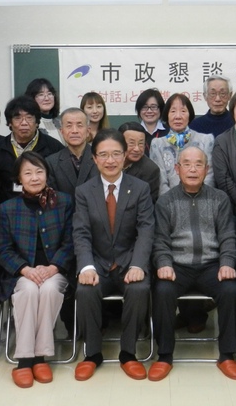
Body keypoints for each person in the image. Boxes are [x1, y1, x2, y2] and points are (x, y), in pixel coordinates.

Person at [149, 147, 236, 381]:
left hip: (212, 265)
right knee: (162, 291)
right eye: (187, 164)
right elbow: (160, 239)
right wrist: (164, 262)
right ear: (177, 169)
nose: (192, 169)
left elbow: (228, 236)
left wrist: (227, 262)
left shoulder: (219, 199)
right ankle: (164, 356)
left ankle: (228, 355)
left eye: (198, 164)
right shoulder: (165, 201)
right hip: (177, 266)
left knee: (230, 289)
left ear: (206, 169)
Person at [73, 129, 154, 381]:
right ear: (94, 159)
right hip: (97, 262)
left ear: (125, 156)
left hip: (130, 261)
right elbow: (82, 233)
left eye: (116, 154)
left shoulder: (140, 188)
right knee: (84, 291)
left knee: (140, 289)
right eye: (104, 155)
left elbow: (146, 230)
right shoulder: (84, 191)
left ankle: (128, 353)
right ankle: (92, 354)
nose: (110, 160)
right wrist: (86, 267)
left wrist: (139, 264)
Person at [0, 151, 74, 388]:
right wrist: (25, 270)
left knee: (49, 290)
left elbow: (71, 241)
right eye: (28, 173)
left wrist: (53, 267)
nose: (34, 177)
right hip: (23, 273)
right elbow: (2, 248)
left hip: (55, 270)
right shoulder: (8, 208)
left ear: (47, 175)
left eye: (39, 171)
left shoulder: (64, 202)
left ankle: (40, 357)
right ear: (19, 178)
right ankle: (25, 360)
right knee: (29, 291)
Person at [0, 95, 63, 202]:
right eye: (18, 118)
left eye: (29, 117)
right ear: (10, 123)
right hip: (8, 209)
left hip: (45, 208)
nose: (24, 123)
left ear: (37, 122)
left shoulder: (54, 147)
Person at [150, 93, 215, 195]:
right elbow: (160, 182)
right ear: (167, 115)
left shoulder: (206, 140)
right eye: (173, 111)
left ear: (190, 115)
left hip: (202, 200)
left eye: (183, 111)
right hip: (169, 204)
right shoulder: (157, 144)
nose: (178, 116)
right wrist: (172, 203)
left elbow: (209, 176)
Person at [46, 108, 98, 198]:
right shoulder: (51, 162)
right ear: (62, 131)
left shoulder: (100, 158)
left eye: (79, 125)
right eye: (69, 126)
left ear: (88, 131)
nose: (74, 131)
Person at [118, 121, 160, 204]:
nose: (137, 149)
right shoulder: (108, 161)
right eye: (131, 143)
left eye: (141, 144)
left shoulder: (150, 170)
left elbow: (147, 204)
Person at [25, 78, 64, 144]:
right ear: (31, 98)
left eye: (49, 93)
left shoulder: (61, 122)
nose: (47, 98)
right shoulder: (29, 124)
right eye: (41, 94)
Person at [135, 88, 167, 154]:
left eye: (153, 107)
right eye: (144, 107)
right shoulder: (133, 132)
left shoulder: (169, 132)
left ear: (160, 109)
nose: (149, 111)